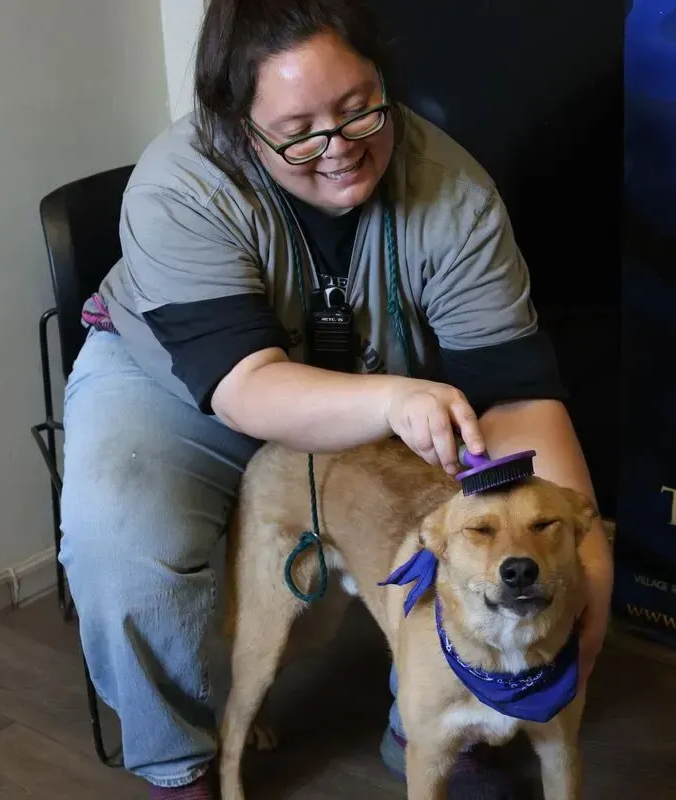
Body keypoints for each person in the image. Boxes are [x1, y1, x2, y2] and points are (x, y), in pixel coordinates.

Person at [59, 0, 614, 796]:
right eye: (299, 129)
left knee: (468, 514)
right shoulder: (181, 185)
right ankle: (180, 762)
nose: (340, 149)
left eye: (360, 111)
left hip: (386, 391)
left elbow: (518, 395)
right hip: (187, 385)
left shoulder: (454, 195)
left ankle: (432, 716)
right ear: (236, 125)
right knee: (118, 528)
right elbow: (245, 386)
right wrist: (390, 402)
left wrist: (587, 553)